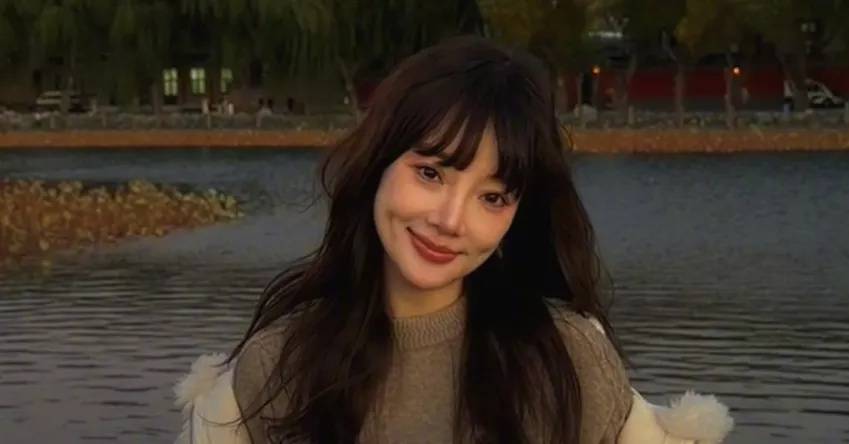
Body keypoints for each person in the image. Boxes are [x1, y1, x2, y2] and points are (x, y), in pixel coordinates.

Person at [174, 36, 733, 444]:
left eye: (493, 197)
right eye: (431, 173)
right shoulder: (276, 368)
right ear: (377, 165)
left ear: (518, 216)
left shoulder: (569, 362)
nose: (450, 220)